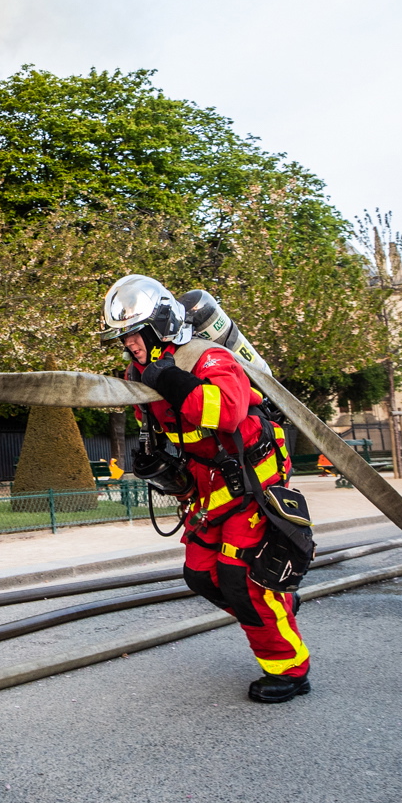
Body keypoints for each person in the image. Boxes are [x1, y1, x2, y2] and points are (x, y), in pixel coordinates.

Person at [103, 274, 311, 702]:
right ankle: (274, 610)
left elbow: (228, 412)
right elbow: (161, 428)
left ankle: (290, 669)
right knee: (200, 575)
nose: (129, 343)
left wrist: (171, 380)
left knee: (240, 577)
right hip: (208, 486)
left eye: (135, 333)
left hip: (252, 477)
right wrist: (158, 463)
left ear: (159, 324)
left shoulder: (206, 356)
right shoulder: (139, 373)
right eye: (123, 337)